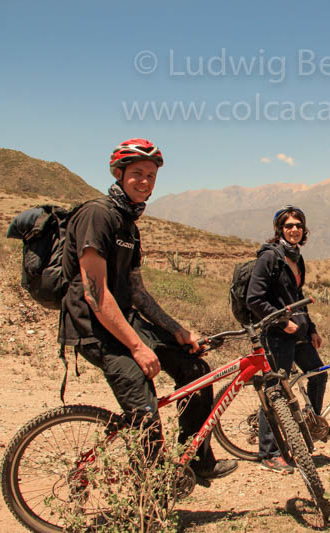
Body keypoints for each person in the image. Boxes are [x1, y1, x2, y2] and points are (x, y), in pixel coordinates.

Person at [57, 138, 236, 479]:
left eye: (151, 176)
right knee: (144, 412)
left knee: (197, 371)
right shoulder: (98, 216)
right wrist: (138, 347)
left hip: (125, 321)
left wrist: (177, 331)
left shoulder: (129, 226)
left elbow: (138, 292)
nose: (145, 182)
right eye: (137, 173)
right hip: (94, 330)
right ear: (119, 174)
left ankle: (194, 461)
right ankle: (149, 503)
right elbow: (95, 294)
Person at [246, 205, 330, 473]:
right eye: (288, 226)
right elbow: (254, 299)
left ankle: (311, 425)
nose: (294, 229)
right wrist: (281, 322)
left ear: (304, 229)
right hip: (277, 334)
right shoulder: (270, 258)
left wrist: (311, 328)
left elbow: (297, 298)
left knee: (318, 374)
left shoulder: (296, 258)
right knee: (276, 392)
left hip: (298, 332)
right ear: (280, 230)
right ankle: (269, 452)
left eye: (298, 225)